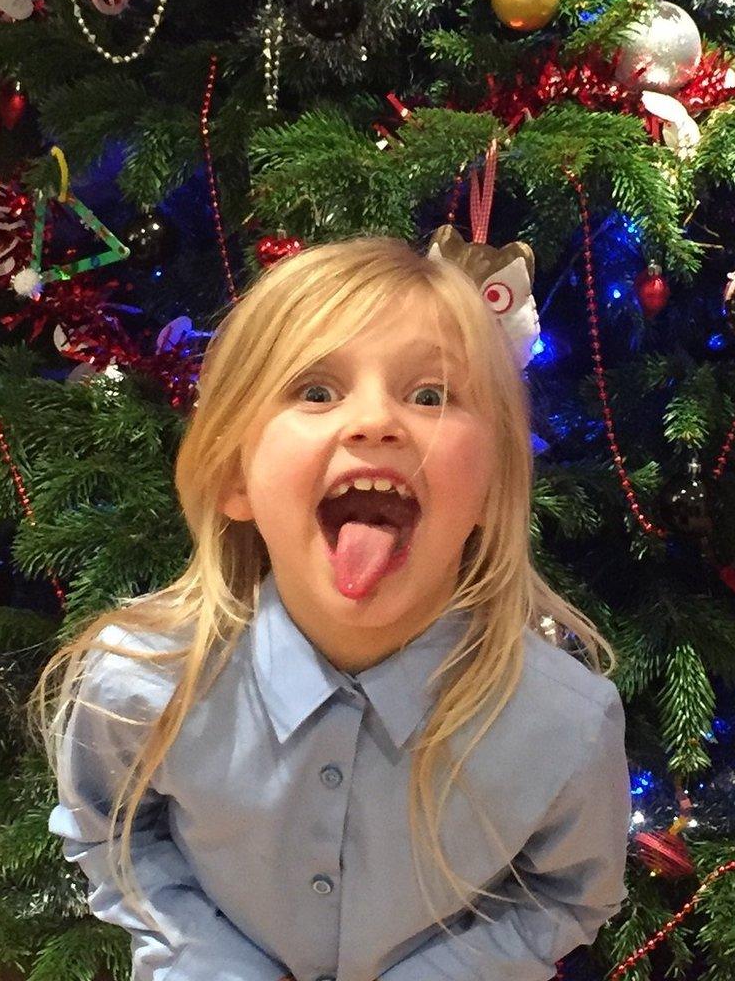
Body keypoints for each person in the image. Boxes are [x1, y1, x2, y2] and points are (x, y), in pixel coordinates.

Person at [34, 234, 631, 981]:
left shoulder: (567, 724)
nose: (375, 421)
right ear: (235, 477)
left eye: (431, 394)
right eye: (316, 392)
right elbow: (111, 835)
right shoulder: (139, 681)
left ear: (490, 488)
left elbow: (570, 893)